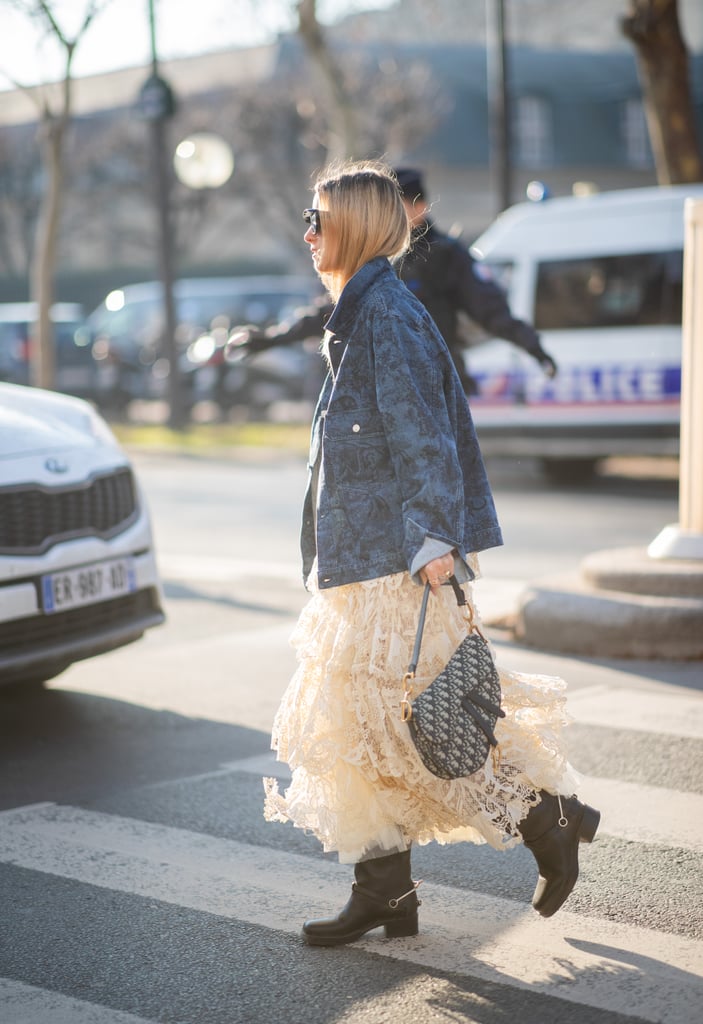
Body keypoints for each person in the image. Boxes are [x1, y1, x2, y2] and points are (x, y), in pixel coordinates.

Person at [263, 160, 599, 947]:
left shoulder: (388, 314)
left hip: (399, 562)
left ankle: (548, 820)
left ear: (353, 225)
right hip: (360, 562)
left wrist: (434, 540)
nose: (307, 233)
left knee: (416, 728)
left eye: (318, 219)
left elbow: (425, 436)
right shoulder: (357, 309)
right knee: (362, 731)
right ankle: (384, 895)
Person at [228, 167, 557, 397]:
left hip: (433, 380)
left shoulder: (445, 256)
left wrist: (535, 349)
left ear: (420, 207)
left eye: (396, 207)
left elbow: (490, 309)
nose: (387, 217)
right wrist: (272, 338)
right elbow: (331, 312)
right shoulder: (374, 261)